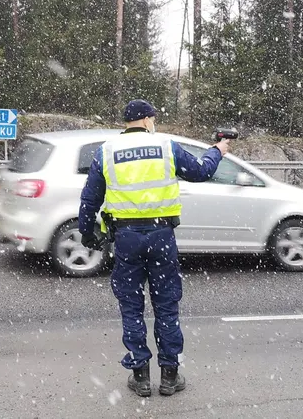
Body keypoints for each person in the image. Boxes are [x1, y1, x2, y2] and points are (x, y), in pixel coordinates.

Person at [78, 99, 229, 397]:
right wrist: (217, 151)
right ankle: (170, 375)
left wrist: (87, 232)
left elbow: (89, 199)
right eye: (153, 118)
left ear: (127, 122)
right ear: (147, 120)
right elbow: (200, 171)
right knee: (166, 305)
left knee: (131, 307)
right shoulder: (166, 147)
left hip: (126, 239)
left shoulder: (105, 152)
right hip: (161, 236)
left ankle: (141, 376)